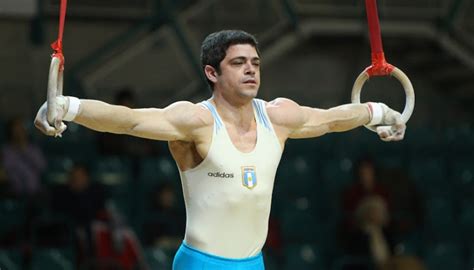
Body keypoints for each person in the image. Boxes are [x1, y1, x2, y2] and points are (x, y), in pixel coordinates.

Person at [34, 30, 406, 270]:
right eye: (239, 63)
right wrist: (68, 106)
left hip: (254, 263)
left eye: (255, 63)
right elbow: (129, 120)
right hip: (201, 263)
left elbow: (331, 119)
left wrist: (380, 112)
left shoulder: (278, 117)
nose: (251, 71)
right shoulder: (195, 121)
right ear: (212, 73)